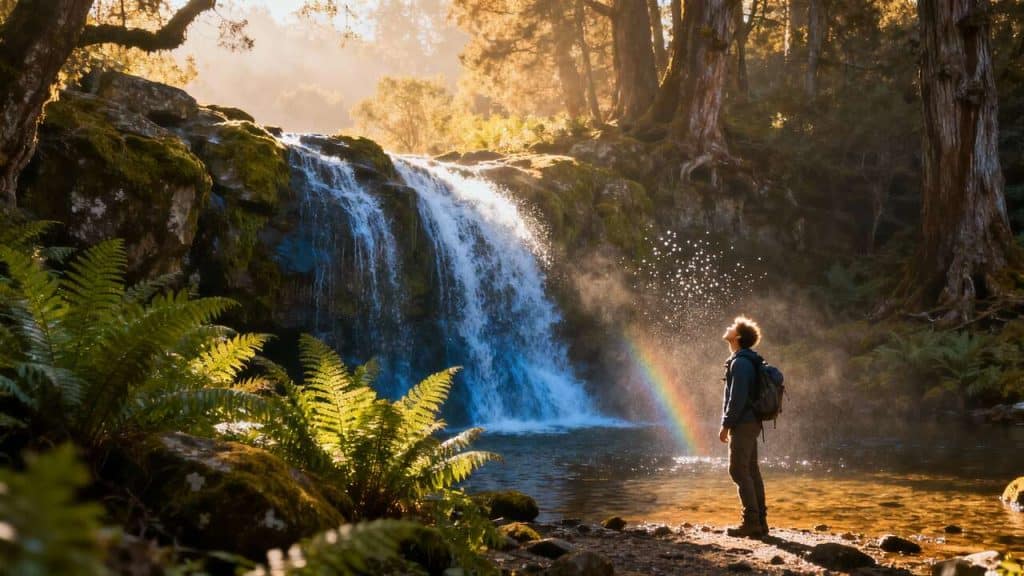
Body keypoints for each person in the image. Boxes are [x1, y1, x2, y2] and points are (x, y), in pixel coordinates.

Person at [719, 315, 768, 538]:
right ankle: (761, 521)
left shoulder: (740, 363)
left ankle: (751, 522)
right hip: (752, 422)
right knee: (751, 471)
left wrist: (726, 425)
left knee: (738, 470)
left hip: (743, 423)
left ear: (737, 337)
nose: (728, 328)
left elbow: (736, 399)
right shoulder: (746, 359)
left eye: (732, 327)